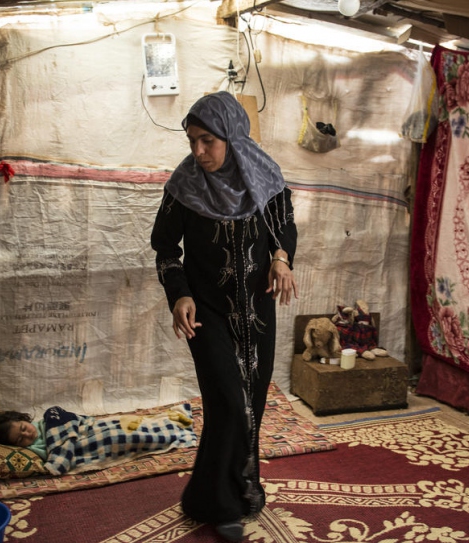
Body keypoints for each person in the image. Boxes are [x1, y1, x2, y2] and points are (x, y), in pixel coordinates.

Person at [150, 91, 298, 542]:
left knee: (249, 405)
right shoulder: (184, 186)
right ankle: (222, 504)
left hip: (257, 314)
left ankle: (232, 490)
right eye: (192, 141)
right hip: (207, 314)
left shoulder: (265, 177)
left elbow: (284, 228)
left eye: (207, 141)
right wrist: (179, 295)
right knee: (229, 403)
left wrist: (281, 258)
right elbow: (164, 249)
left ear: (231, 138)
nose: (198, 152)